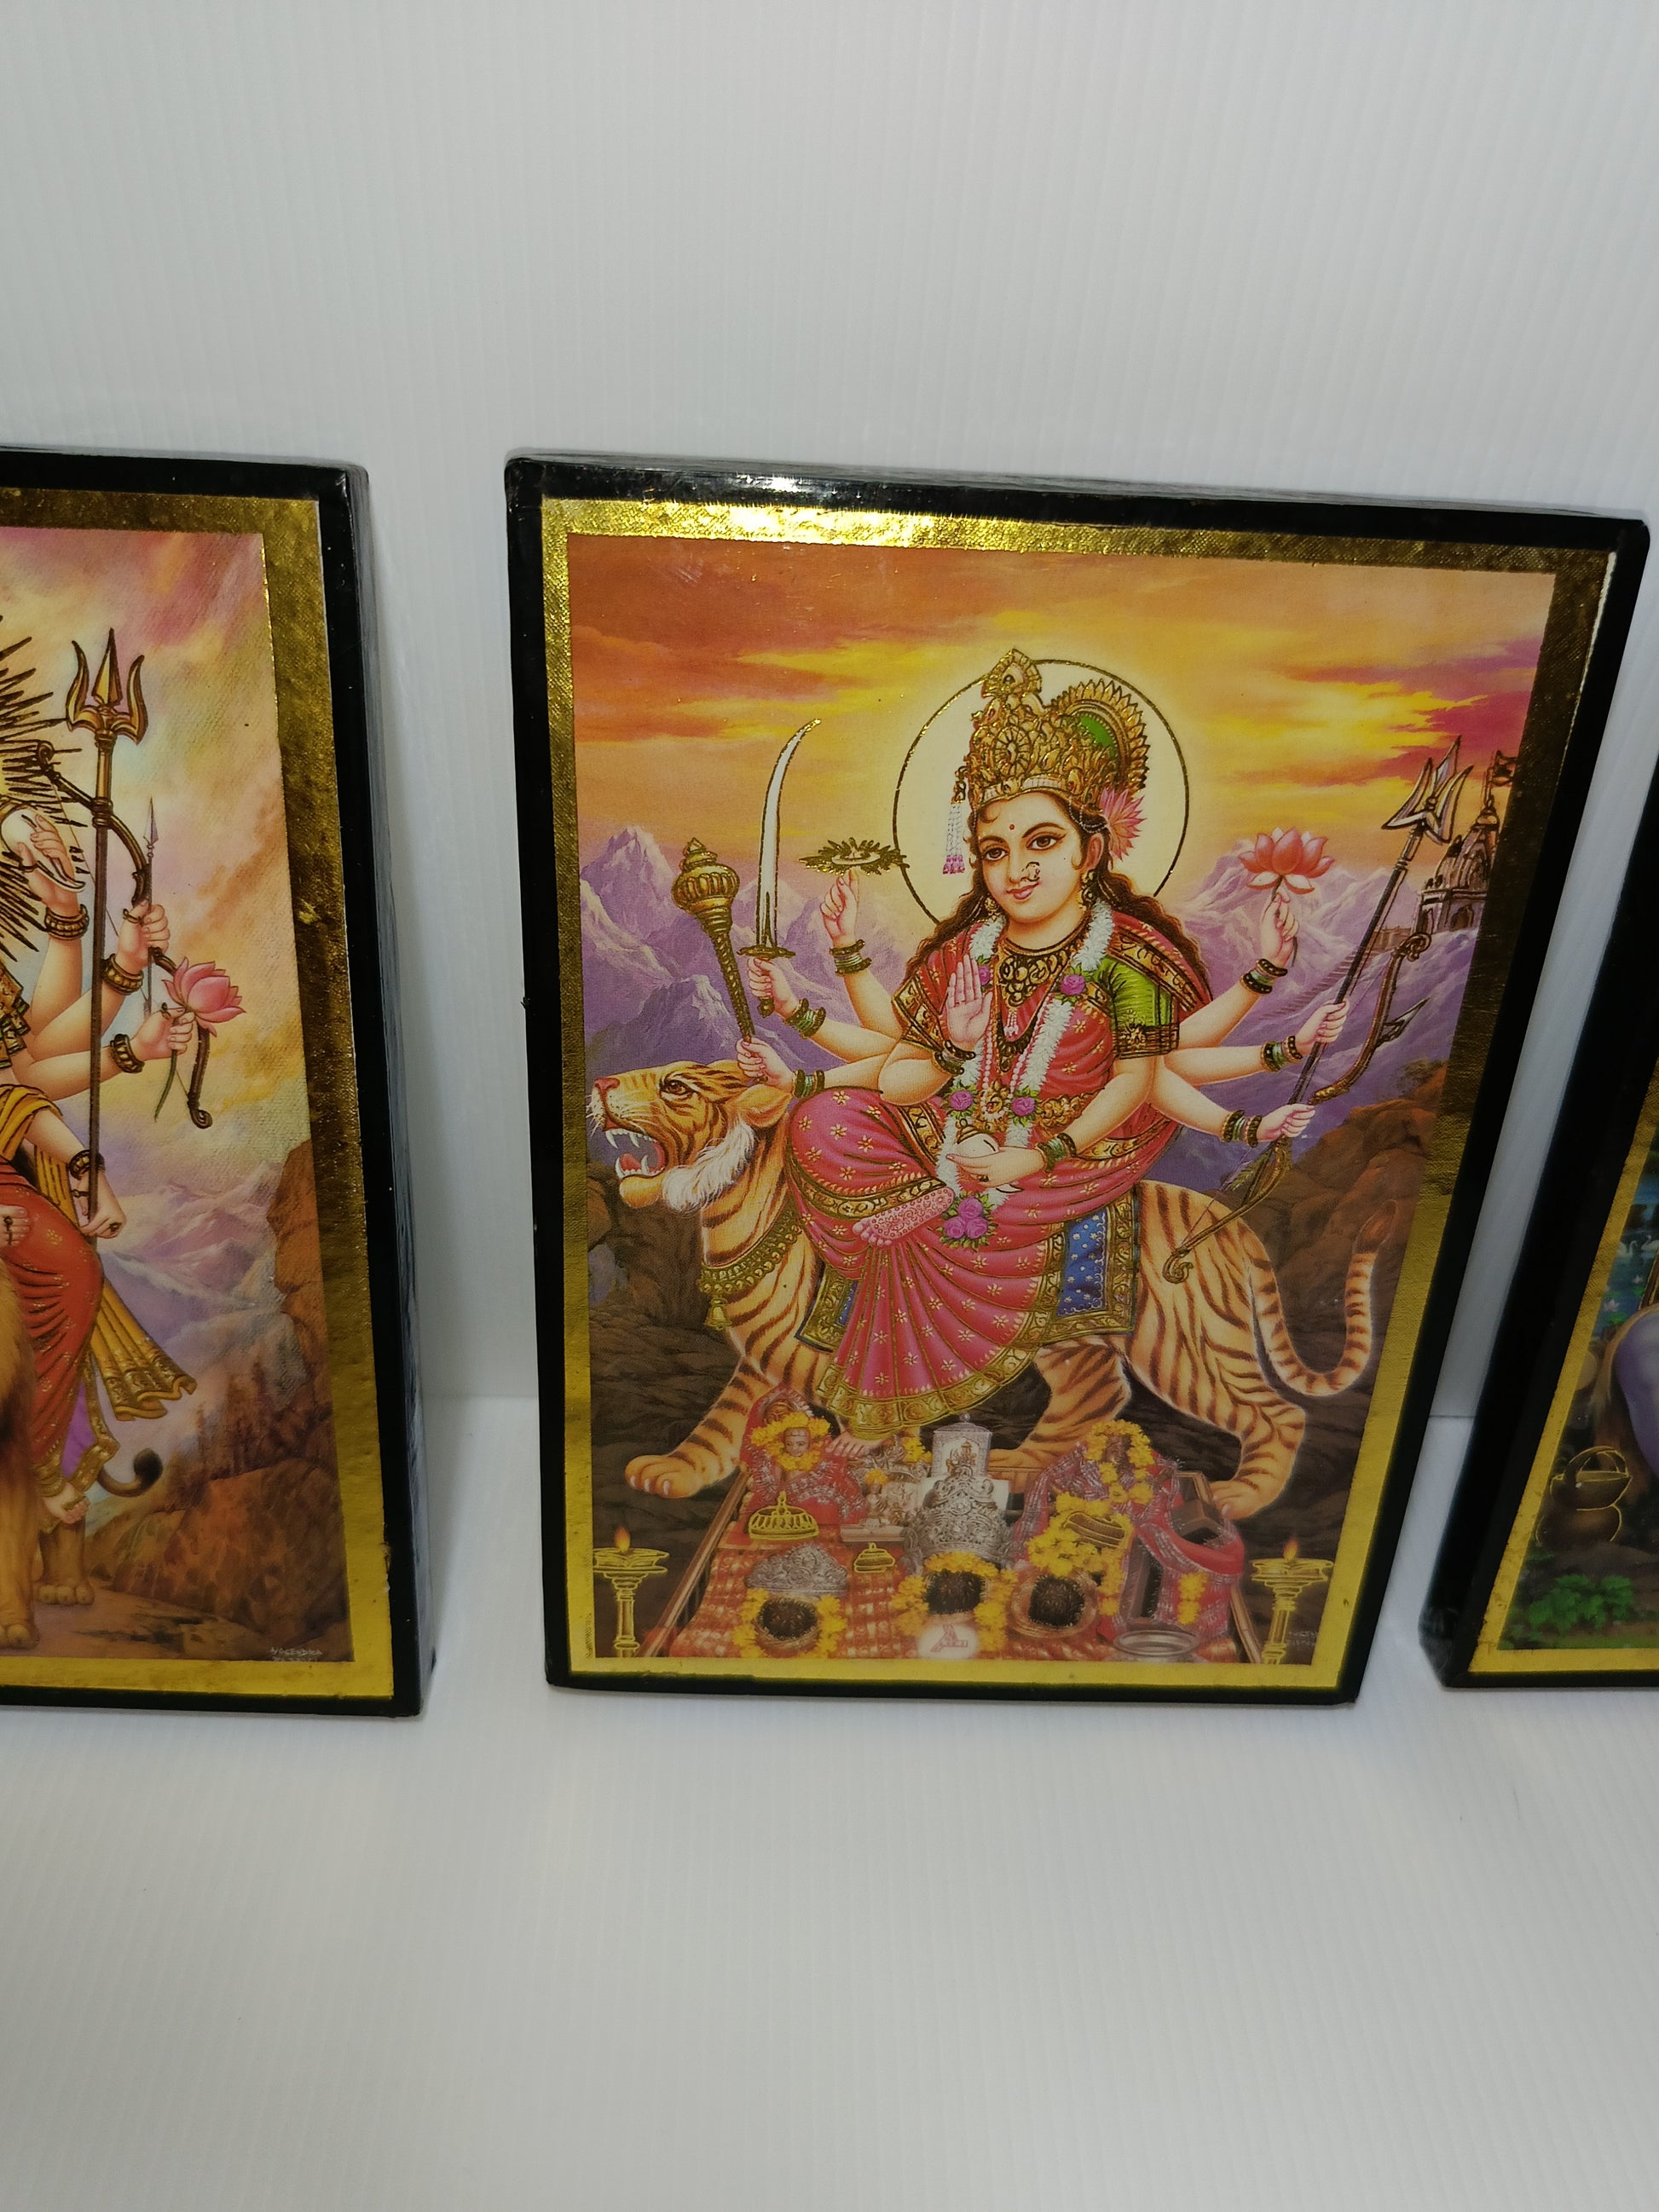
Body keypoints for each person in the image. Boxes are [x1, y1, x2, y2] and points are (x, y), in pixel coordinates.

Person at [737, 648, 1344, 1439]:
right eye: (995, 850)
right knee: (820, 1125)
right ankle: (933, 1200)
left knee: (952, 1195)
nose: (1016, 870)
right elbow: (898, 1060)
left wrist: (1034, 1156)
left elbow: (1140, 1078)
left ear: (1090, 850)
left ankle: (923, 1271)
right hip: (954, 1126)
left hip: (1068, 1152)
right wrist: (853, 1004)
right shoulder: (970, 947)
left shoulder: (1127, 959)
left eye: (1043, 843)